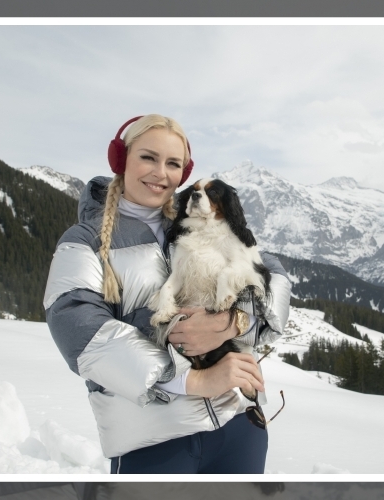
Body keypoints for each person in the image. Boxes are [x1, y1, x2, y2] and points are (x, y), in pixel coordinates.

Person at [43, 114, 291, 474]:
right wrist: (193, 380)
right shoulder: (85, 241)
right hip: (153, 444)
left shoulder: (203, 225)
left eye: (173, 163)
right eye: (148, 157)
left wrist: (232, 323)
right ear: (121, 159)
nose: (160, 173)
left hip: (239, 427)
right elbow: (78, 332)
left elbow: (275, 277)